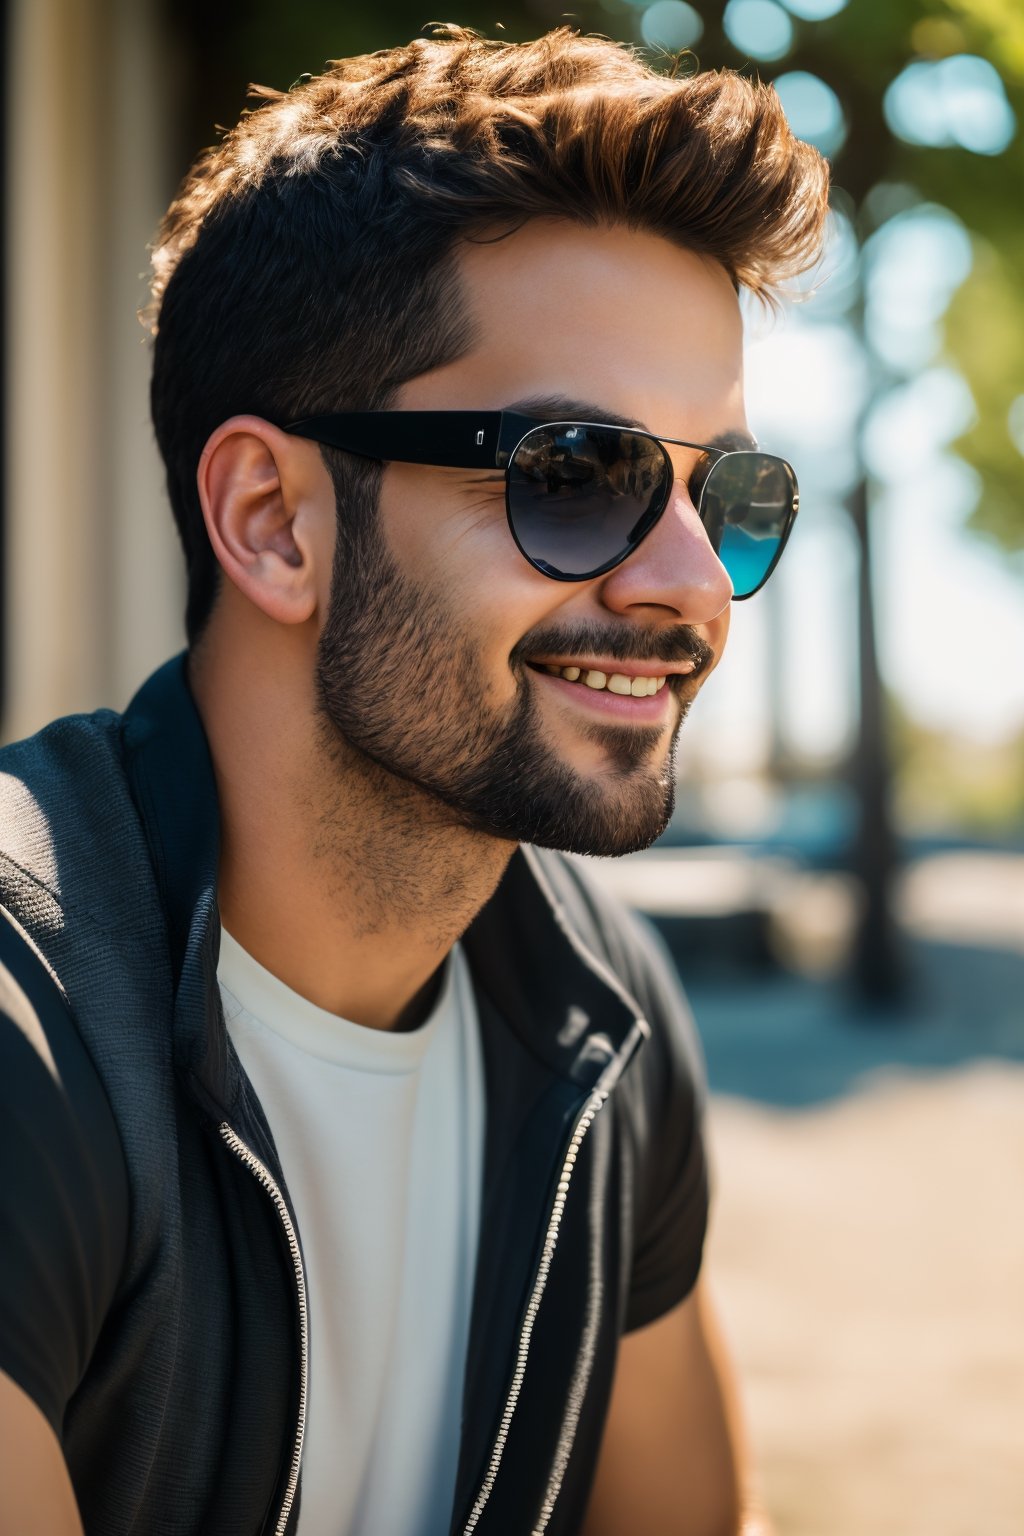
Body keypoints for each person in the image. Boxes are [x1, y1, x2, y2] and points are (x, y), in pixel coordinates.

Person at [0, 25, 827, 1536]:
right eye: (579, 473)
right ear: (274, 520)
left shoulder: (603, 1017)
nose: (697, 586)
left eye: (731, 492)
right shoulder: (27, 1027)